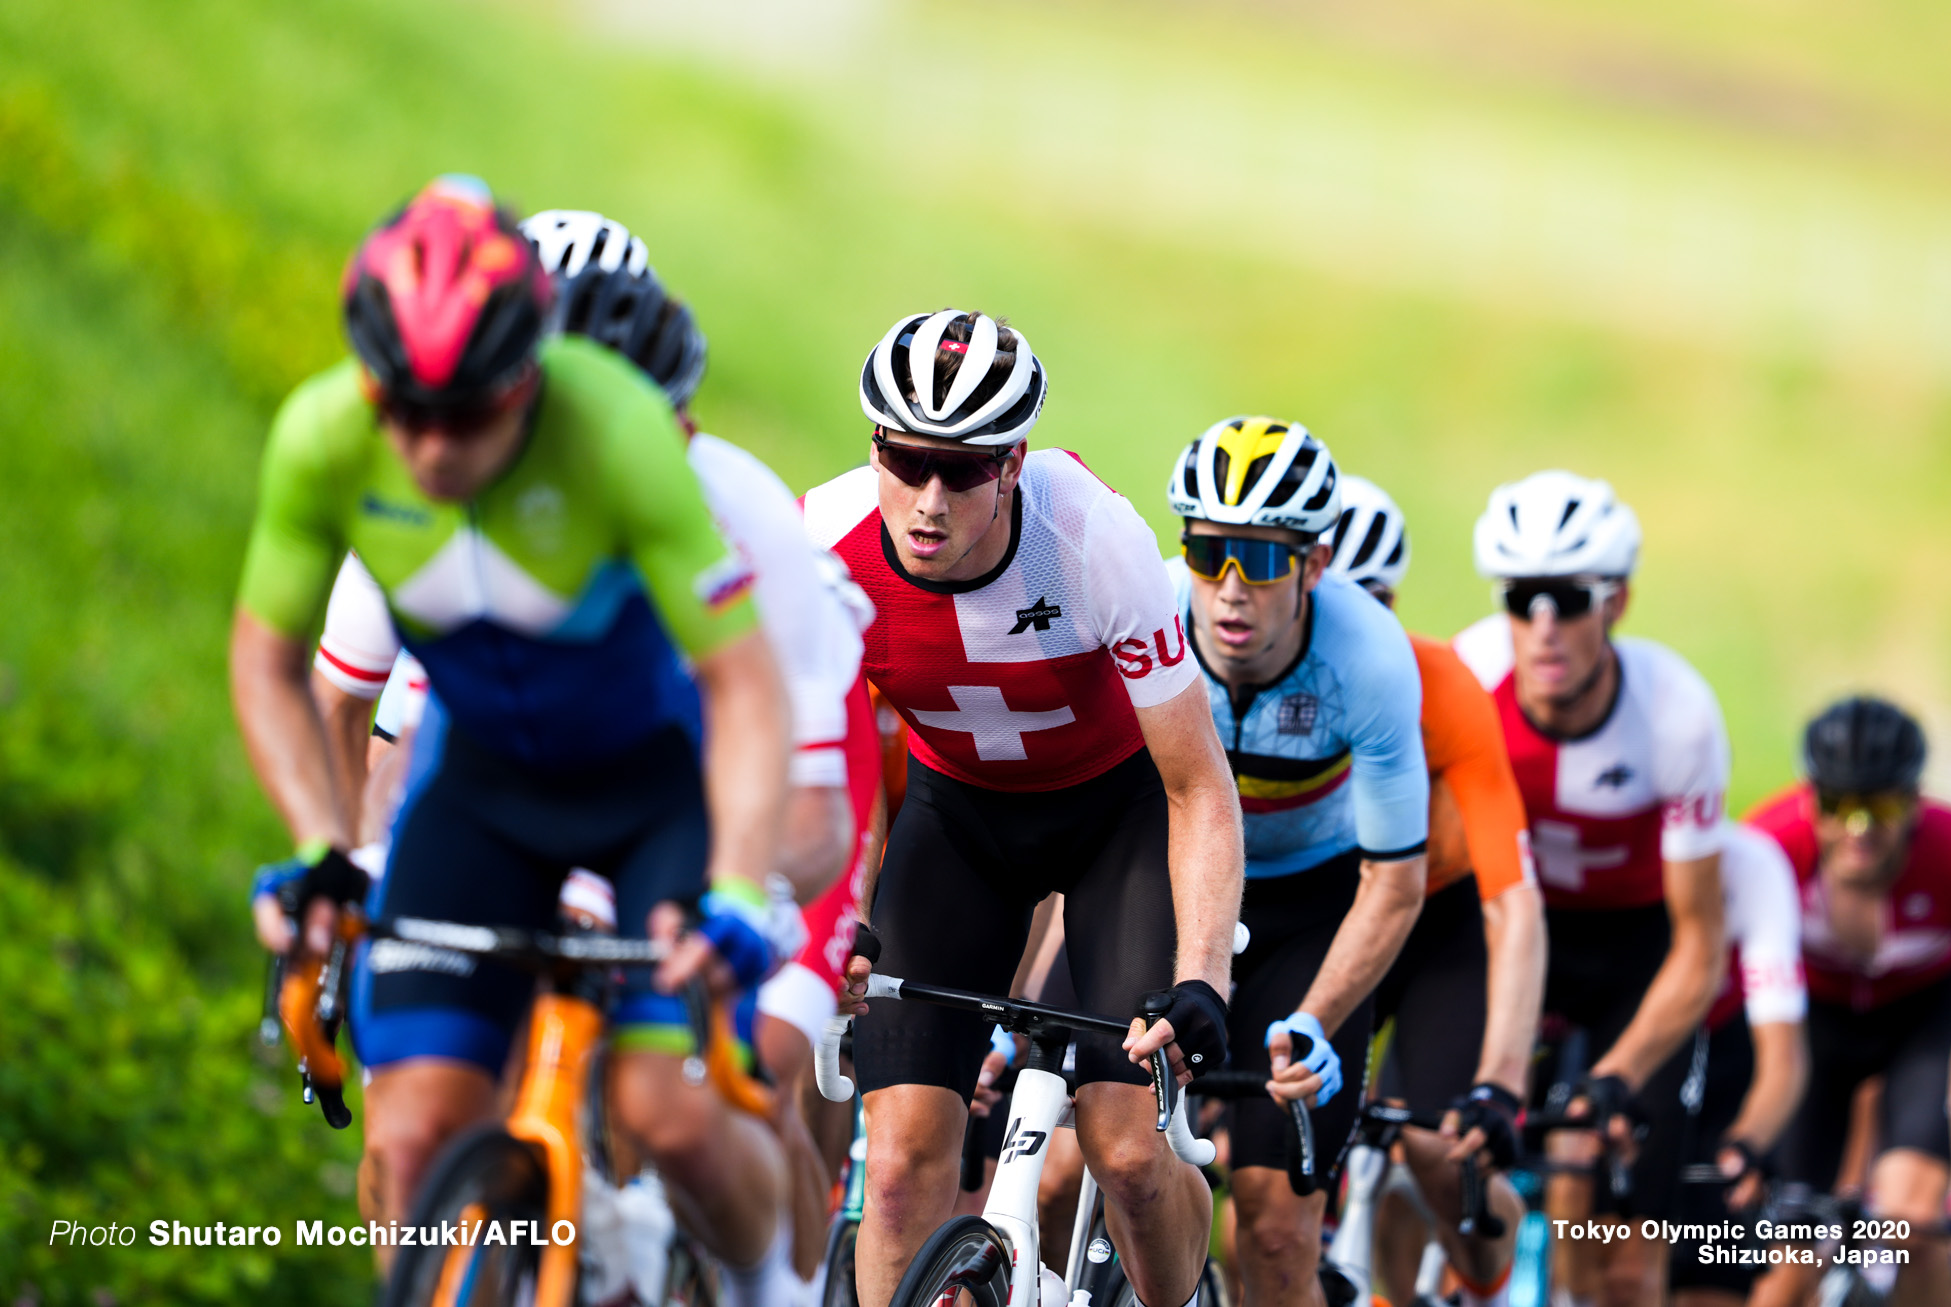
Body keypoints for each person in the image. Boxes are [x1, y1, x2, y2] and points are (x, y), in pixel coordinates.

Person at [231, 177, 794, 1286]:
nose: (432, 448)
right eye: (404, 409)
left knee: (663, 1113)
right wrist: (321, 850)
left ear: (528, 377)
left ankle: (776, 1282)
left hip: (650, 794)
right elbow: (271, 665)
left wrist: (734, 881)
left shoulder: (620, 433)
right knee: (406, 1133)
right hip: (483, 791)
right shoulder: (326, 437)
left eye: (469, 413)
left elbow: (748, 687)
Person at [807, 309, 1244, 1307]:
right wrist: (840, 910)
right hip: (956, 821)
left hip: (1114, 823)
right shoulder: (822, 543)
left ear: (1011, 465)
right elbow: (831, 755)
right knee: (906, 1160)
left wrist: (1202, 978)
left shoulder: (1090, 537)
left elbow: (1196, 784)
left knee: (1128, 1154)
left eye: (959, 471)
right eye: (904, 457)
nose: (927, 499)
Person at [1164, 424, 1431, 1307]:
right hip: (1172, 887)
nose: (1230, 589)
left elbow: (1395, 879)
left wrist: (1317, 1018)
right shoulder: (1153, 618)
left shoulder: (1369, 658)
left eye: (1262, 560)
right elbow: (1076, 834)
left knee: (1275, 1235)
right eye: (1209, 552)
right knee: (1057, 1170)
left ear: (1315, 563)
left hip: (1307, 909)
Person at [1453, 471, 1729, 1307]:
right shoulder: (1472, 676)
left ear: (1617, 603)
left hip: (1636, 950)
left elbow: (1700, 944)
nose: (1543, 627)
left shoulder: (1676, 713)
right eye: (1522, 596)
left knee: (1624, 1249)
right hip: (1511, 928)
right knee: (1432, 1155)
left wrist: (1618, 1074)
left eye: (1568, 599)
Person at [1322, 475, 1545, 1307]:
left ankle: (1482, 1276)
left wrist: (1502, 1081)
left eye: (1373, 603)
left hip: (1435, 923)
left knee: (1438, 1151)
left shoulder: (1442, 684)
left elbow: (1513, 902)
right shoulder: (1248, 676)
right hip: (1320, 911)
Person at [1747, 697, 1951, 1307]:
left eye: (1882, 807)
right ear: (1810, 800)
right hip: (1809, 1028)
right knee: (1787, 1260)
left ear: (1916, 802)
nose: (1859, 830)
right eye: (1839, 806)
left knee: (1912, 1226)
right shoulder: (1771, 847)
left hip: (1917, 1025)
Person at [1667, 820, 1808, 1307]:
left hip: (1729, 1051)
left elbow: (1782, 1057)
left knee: (1713, 1276)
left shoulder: (1756, 864)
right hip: (1622, 1048)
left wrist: (1747, 1142)